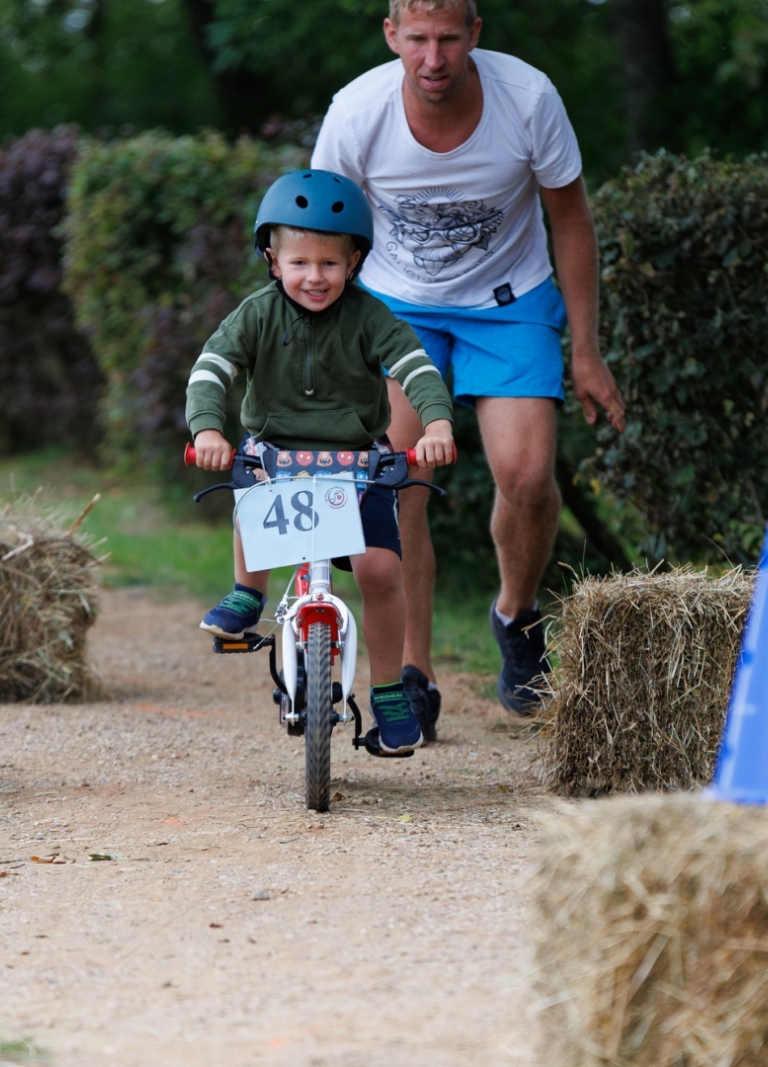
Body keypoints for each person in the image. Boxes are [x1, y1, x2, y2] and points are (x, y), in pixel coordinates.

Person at [311, 0, 627, 726]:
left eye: (449, 39)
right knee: (400, 480)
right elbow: (321, 230)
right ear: (392, 35)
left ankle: (516, 615)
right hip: (396, 308)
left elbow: (570, 218)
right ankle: (414, 670)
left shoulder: (527, 100)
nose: (433, 58)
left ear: (475, 35)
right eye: (417, 39)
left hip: (510, 302)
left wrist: (585, 349)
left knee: (526, 475)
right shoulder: (356, 114)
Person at [186, 169, 457, 754]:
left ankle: (387, 691)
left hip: (358, 462)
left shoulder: (369, 317)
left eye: (330, 264)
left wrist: (435, 423)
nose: (315, 277)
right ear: (272, 258)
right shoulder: (256, 314)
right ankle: (247, 593)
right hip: (278, 455)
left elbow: (415, 367)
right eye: (300, 263)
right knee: (249, 477)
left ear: (354, 263)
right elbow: (213, 368)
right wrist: (208, 428)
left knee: (381, 573)